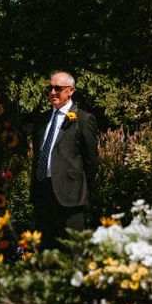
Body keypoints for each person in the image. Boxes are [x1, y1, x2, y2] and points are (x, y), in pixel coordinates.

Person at [31, 71, 98, 250]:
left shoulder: (83, 119)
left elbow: (91, 161)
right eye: (50, 88)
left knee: (74, 251)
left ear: (71, 91)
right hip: (43, 194)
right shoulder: (41, 120)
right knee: (46, 253)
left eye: (58, 88)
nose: (52, 92)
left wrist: (80, 189)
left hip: (70, 197)